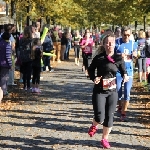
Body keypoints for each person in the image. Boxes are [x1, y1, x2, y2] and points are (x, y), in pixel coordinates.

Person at [88, 33, 128, 149]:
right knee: (100, 116)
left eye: (112, 43)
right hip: (100, 90)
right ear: (104, 44)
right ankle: (94, 124)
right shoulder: (99, 58)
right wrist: (93, 78)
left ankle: (104, 139)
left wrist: (125, 76)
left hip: (112, 91)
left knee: (110, 116)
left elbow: (123, 69)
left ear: (115, 44)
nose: (110, 45)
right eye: (107, 43)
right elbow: (91, 70)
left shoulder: (118, 58)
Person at [115, 26, 137, 121]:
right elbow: (112, 55)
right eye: (125, 35)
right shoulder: (117, 42)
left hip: (129, 70)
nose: (126, 37)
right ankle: (120, 106)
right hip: (118, 70)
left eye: (128, 35)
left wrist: (136, 55)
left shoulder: (133, 44)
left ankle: (124, 112)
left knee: (127, 92)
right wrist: (119, 55)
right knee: (118, 91)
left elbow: (136, 54)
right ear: (121, 34)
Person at [19, 26, 33, 91]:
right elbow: (32, 50)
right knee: (28, 72)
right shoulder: (31, 40)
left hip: (23, 58)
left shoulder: (21, 40)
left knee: (24, 72)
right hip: (29, 58)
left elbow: (19, 48)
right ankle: (28, 86)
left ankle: (25, 85)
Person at [0, 32, 12, 96]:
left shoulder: (0, 43)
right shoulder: (7, 45)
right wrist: (10, 65)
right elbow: (8, 57)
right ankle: (3, 91)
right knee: (4, 78)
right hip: (4, 64)